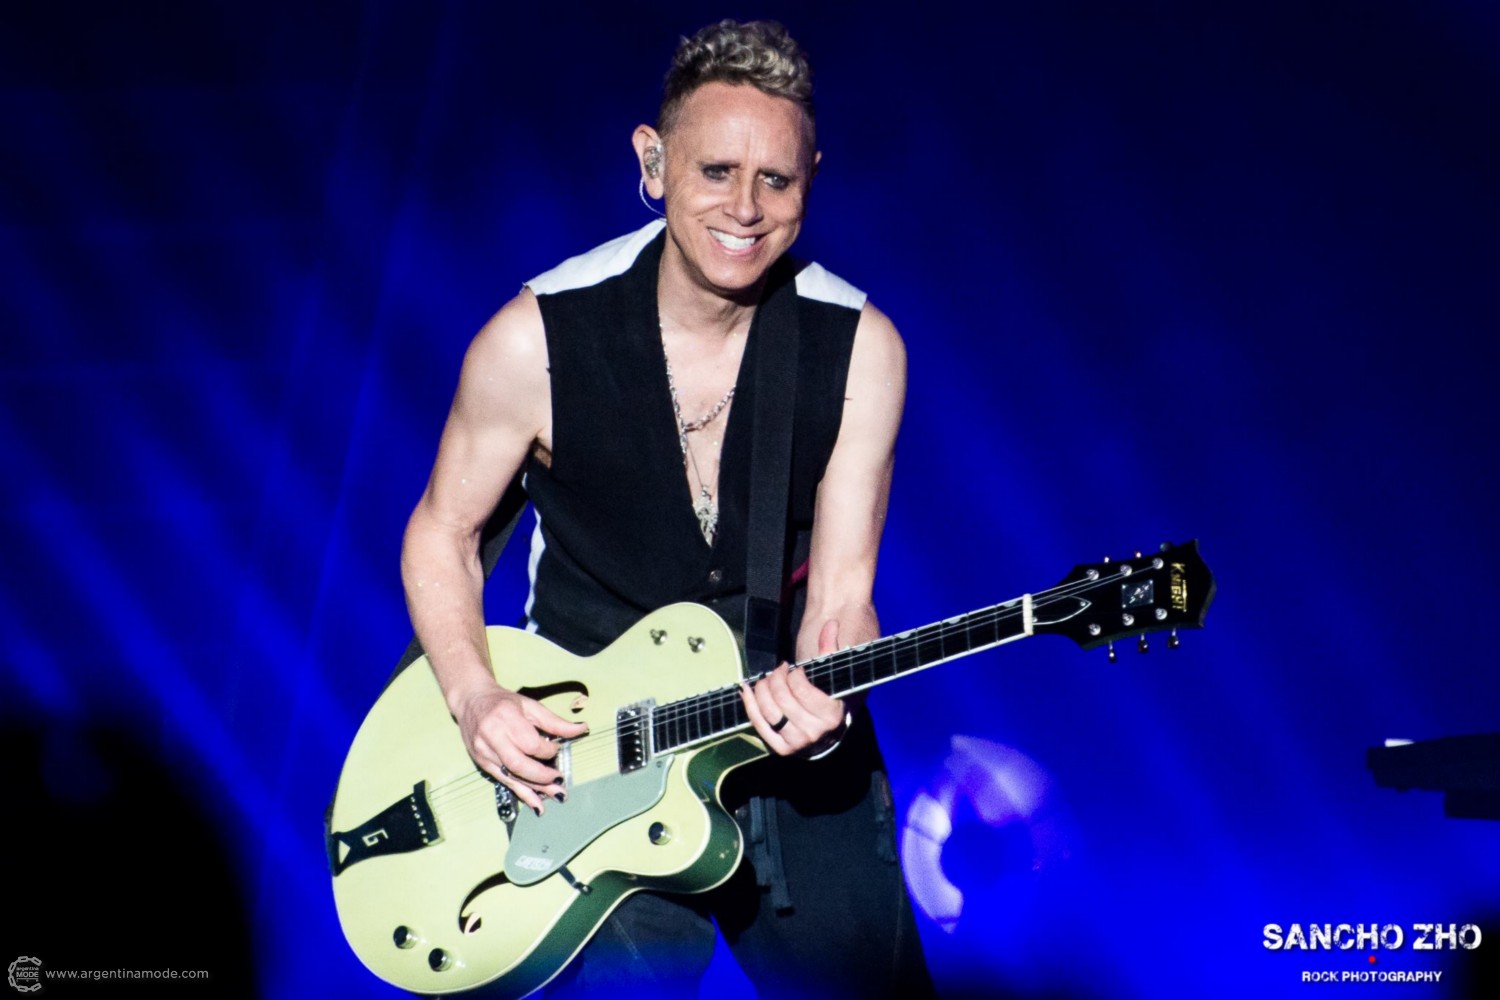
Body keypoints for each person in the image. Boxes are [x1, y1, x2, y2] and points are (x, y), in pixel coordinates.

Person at [400, 19, 934, 998]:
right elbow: (443, 532)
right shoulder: (535, 340)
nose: (746, 208)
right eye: (715, 171)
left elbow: (843, 596)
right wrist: (475, 697)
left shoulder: (860, 348)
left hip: (780, 743)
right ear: (652, 163)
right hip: (588, 757)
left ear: (812, 178)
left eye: (776, 180)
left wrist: (829, 697)